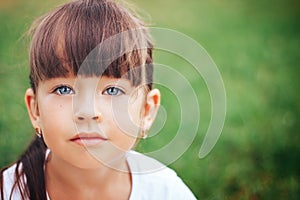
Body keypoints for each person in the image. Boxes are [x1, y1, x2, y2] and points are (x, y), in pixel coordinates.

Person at [0, 0, 197, 199]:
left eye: (112, 90)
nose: (88, 112)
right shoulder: (8, 192)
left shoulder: (165, 191)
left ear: (146, 110)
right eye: (64, 90)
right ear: (35, 111)